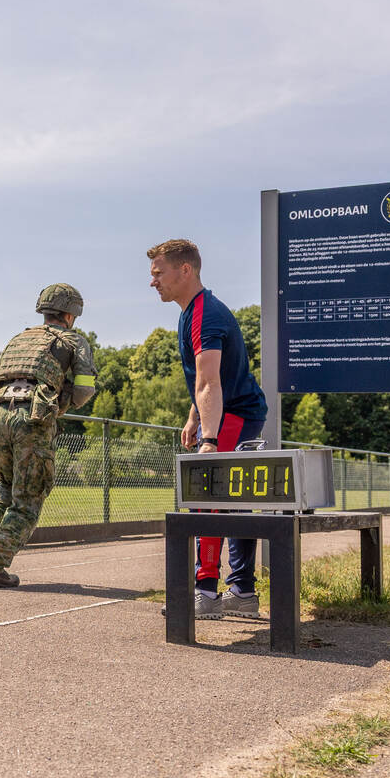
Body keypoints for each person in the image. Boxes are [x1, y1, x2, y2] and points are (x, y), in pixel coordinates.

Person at [148, 239, 267, 619]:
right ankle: (243, 594)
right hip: (231, 411)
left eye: (158, 273)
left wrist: (210, 440)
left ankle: (205, 593)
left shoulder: (205, 315)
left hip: (234, 414)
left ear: (186, 270)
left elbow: (210, 383)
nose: (153, 282)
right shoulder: (193, 311)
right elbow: (206, 379)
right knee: (232, 501)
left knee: (209, 498)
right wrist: (194, 416)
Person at [0, 284, 97, 588]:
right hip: (32, 418)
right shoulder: (74, 340)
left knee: (5, 485)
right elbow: (84, 389)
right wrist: (62, 404)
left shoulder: (18, 339)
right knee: (28, 499)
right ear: (70, 314)